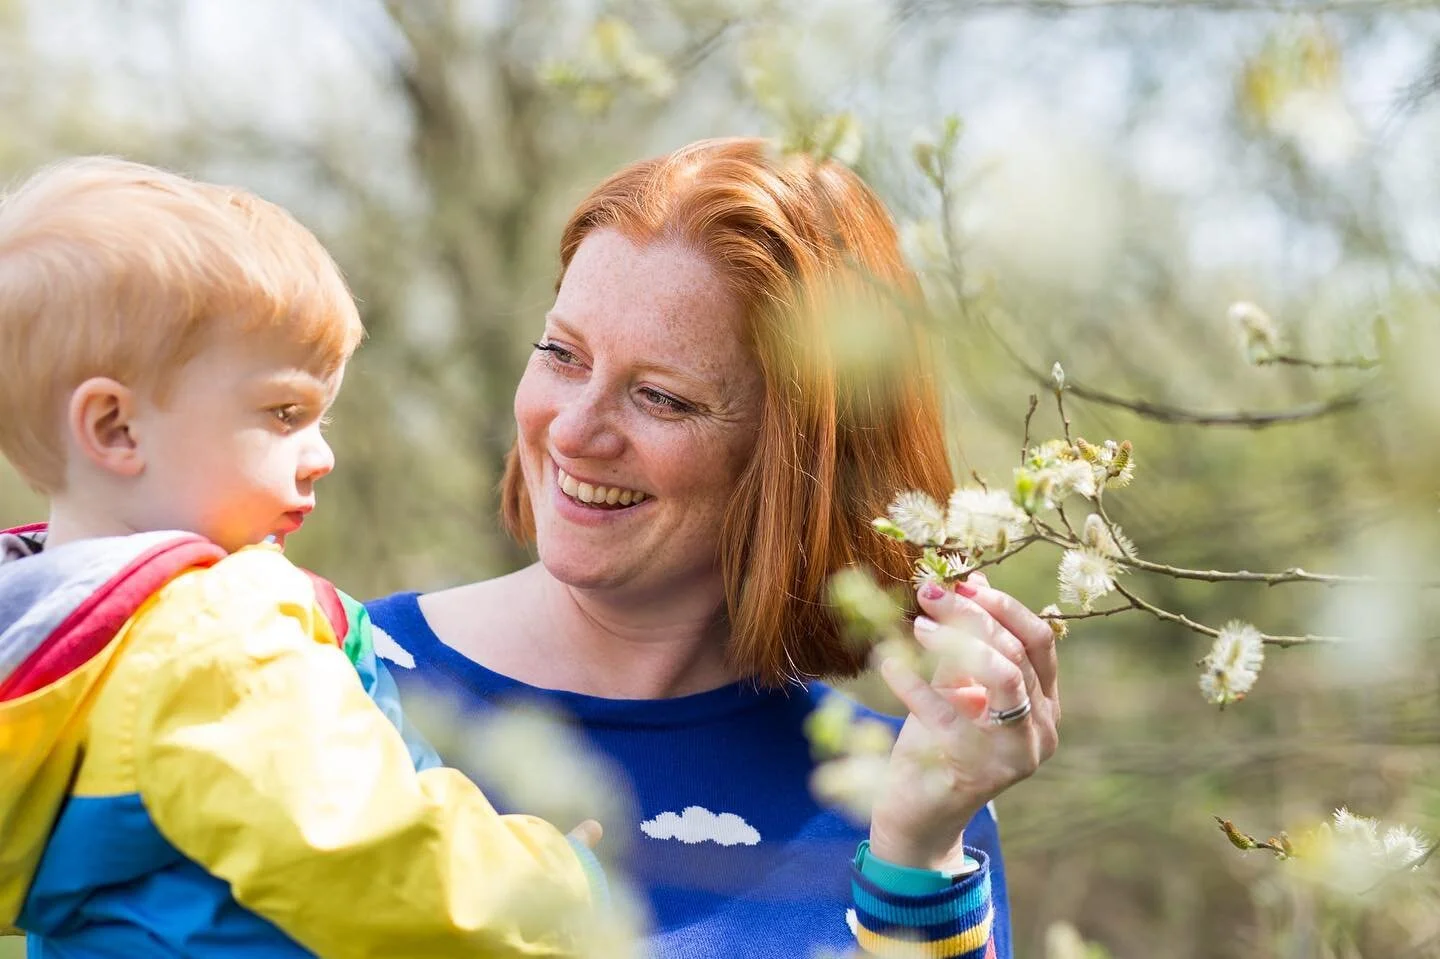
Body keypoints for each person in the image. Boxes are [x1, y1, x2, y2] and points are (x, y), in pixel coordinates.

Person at [367, 137, 1062, 958]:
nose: (575, 430)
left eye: (661, 397)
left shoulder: (904, 793)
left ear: (795, 462)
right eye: (562, 353)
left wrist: (917, 858)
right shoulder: (331, 682)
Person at [0, 157, 607, 958]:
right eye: (283, 412)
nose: (320, 455)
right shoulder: (211, 637)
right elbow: (373, 857)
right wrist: (560, 886)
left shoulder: (55, 652)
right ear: (115, 428)